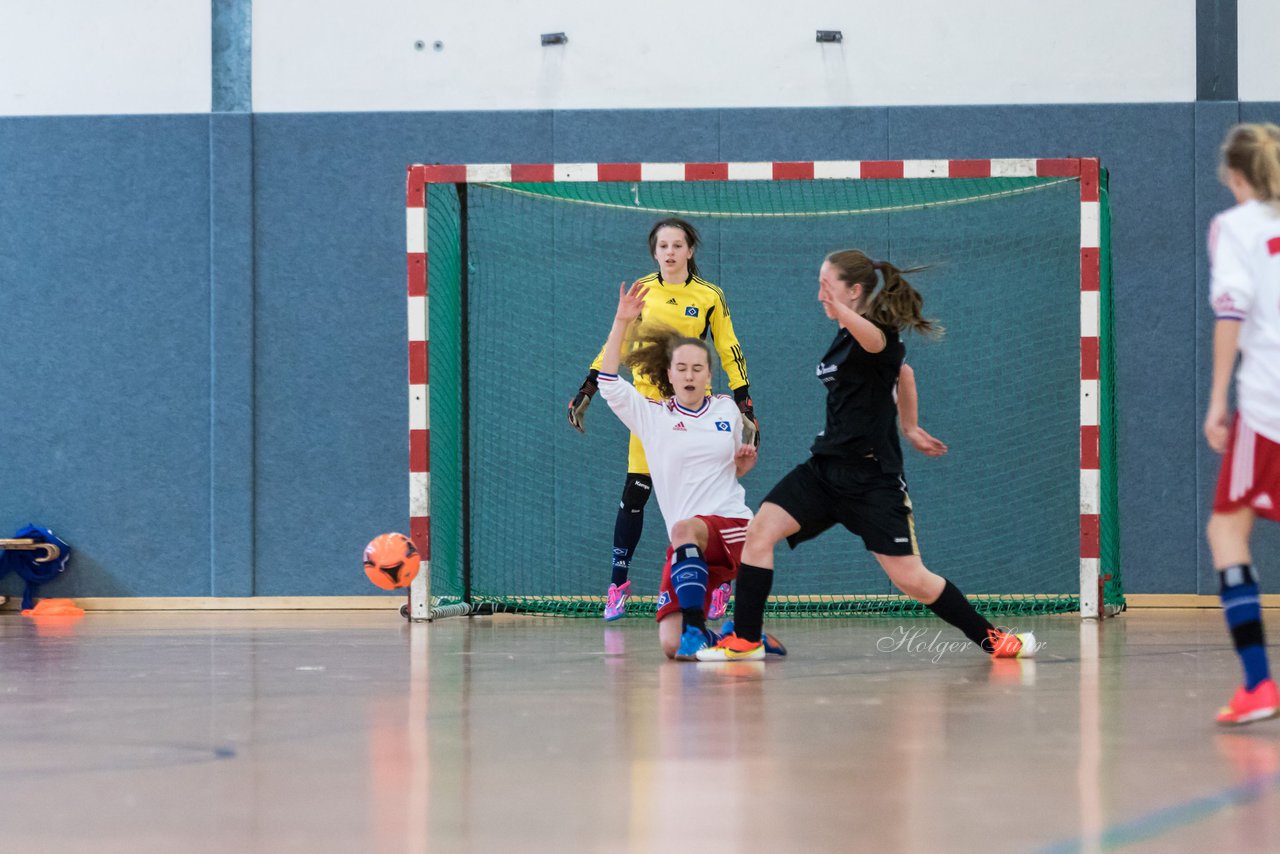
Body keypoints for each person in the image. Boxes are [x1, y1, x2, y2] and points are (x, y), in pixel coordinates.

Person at [697, 249, 1035, 662]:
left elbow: (886, 353)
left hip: (873, 479)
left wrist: (907, 427)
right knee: (760, 532)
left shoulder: (878, 334)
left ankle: (993, 639)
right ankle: (746, 640)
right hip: (825, 470)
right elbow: (903, 375)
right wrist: (908, 425)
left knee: (913, 581)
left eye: (828, 286)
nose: (820, 294)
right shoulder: (842, 337)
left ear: (853, 291)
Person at [568, 218, 758, 621]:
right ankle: (618, 585)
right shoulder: (641, 291)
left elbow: (729, 347)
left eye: (677, 245)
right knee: (635, 494)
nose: (670, 252)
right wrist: (589, 387)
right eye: (662, 246)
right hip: (651, 412)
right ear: (654, 252)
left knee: (711, 500)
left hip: (696, 413)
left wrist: (745, 403)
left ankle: (721, 583)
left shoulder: (709, 296)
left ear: (690, 250)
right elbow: (614, 344)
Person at [596, 280, 784, 659]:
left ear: (708, 374)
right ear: (669, 374)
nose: (689, 374)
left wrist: (742, 465)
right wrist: (621, 321)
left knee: (685, 529)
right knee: (671, 647)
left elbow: (725, 475)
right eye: (681, 368)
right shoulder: (652, 417)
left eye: (697, 368)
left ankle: (697, 630)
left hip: (730, 527)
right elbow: (608, 382)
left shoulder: (727, 411)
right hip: (689, 543)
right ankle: (739, 636)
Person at [1203, 122, 1280, 726]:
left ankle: (1258, 684)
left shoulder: (1235, 228)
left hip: (1269, 403)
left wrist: (1217, 399)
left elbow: (1232, 311)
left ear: (1234, 177)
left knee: (1227, 534)